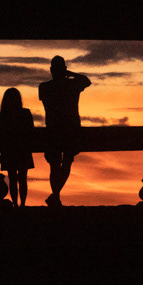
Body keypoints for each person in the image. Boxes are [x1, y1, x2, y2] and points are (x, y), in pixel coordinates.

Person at [38, 56, 91, 207]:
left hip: (53, 129)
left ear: (51, 70)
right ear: (64, 69)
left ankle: (55, 196)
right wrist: (70, 74)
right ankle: (55, 196)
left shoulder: (44, 87)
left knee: (55, 165)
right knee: (66, 163)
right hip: (70, 128)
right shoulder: (72, 85)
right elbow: (87, 81)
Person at [0, 88, 35, 207]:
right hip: (23, 148)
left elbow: (2, 133)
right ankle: (22, 204)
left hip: (9, 149)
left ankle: (16, 204)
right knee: (22, 179)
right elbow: (31, 130)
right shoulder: (25, 112)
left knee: (13, 179)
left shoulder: (4, 114)